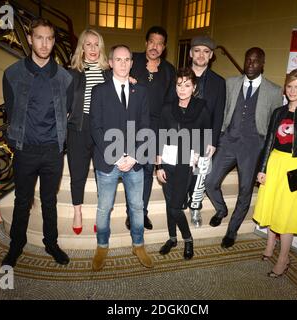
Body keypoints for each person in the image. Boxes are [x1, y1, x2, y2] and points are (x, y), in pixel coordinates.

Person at [1, 18, 73, 267]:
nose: (44, 43)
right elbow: (10, 112)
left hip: (53, 151)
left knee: (49, 201)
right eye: (39, 37)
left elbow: (69, 112)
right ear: (30, 39)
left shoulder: (65, 78)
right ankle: (15, 246)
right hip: (26, 151)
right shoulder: (12, 74)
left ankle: (51, 243)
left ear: (54, 41)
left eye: (50, 38)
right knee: (22, 201)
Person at [205, 47, 283, 249]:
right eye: (248, 60)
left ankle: (232, 231)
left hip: (252, 146)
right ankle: (221, 210)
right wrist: (220, 136)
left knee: (244, 191)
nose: (250, 64)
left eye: (256, 61)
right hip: (228, 141)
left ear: (262, 64)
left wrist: (266, 154)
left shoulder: (274, 91)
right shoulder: (230, 83)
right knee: (210, 181)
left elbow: (273, 125)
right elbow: (223, 110)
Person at [253, 68, 297, 277]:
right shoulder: (278, 112)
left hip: (296, 168)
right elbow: (268, 143)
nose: (292, 91)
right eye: (289, 86)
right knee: (273, 208)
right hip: (275, 163)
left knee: (287, 214)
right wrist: (262, 169)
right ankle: (269, 247)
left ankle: (283, 259)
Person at [89, 45, 153, 271]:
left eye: (127, 59)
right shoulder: (99, 91)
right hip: (108, 161)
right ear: (111, 63)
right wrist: (117, 156)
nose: (123, 63)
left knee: (136, 207)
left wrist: (134, 156)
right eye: (119, 59)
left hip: (134, 162)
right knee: (104, 208)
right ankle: (102, 246)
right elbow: (95, 127)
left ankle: (138, 244)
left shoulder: (141, 92)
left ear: (131, 63)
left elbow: (146, 126)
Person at [156, 67, 212, 260]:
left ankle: (188, 239)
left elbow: (207, 133)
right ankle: (172, 238)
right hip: (168, 161)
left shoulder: (201, 107)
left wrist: (199, 151)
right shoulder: (167, 108)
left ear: (193, 87)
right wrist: (159, 166)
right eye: (179, 85)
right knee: (169, 203)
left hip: (186, 164)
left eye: (187, 85)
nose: (182, 89)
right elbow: (160, 138)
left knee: (175, 207)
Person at [125, 26, 177, 231]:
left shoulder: (168, 70)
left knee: (147, 172)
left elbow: (170, 104)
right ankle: (131, 213)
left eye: (160, 43)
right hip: (130, 125)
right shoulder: (131, 61)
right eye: (152, 41)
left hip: (154, 129)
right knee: (132, 172)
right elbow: (111, 73)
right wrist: (124, 80)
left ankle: (141, 213)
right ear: (146, 42)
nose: (155, 46)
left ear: (164, 48)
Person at [67, 29, 110, 235]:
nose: (93, 49)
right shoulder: (71, 72)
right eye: (88, 44)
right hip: (78, 129)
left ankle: (101, 215)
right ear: (81, 48)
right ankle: (77, 212)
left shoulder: (108, 72)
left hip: (102, 128)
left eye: (96, 44)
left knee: (104, 174)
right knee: (78, 173)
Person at [187, 35, 226, 227]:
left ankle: (195, 208)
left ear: (211, 56)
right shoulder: (181, 77)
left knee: (200, 176)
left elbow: (219, 114)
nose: (201, 55)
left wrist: (214, 141)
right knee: (182, 174)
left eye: (206, 51)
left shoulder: (219, 82)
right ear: (190, 53)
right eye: (197, 50)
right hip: (181, 136)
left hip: (204, 138)